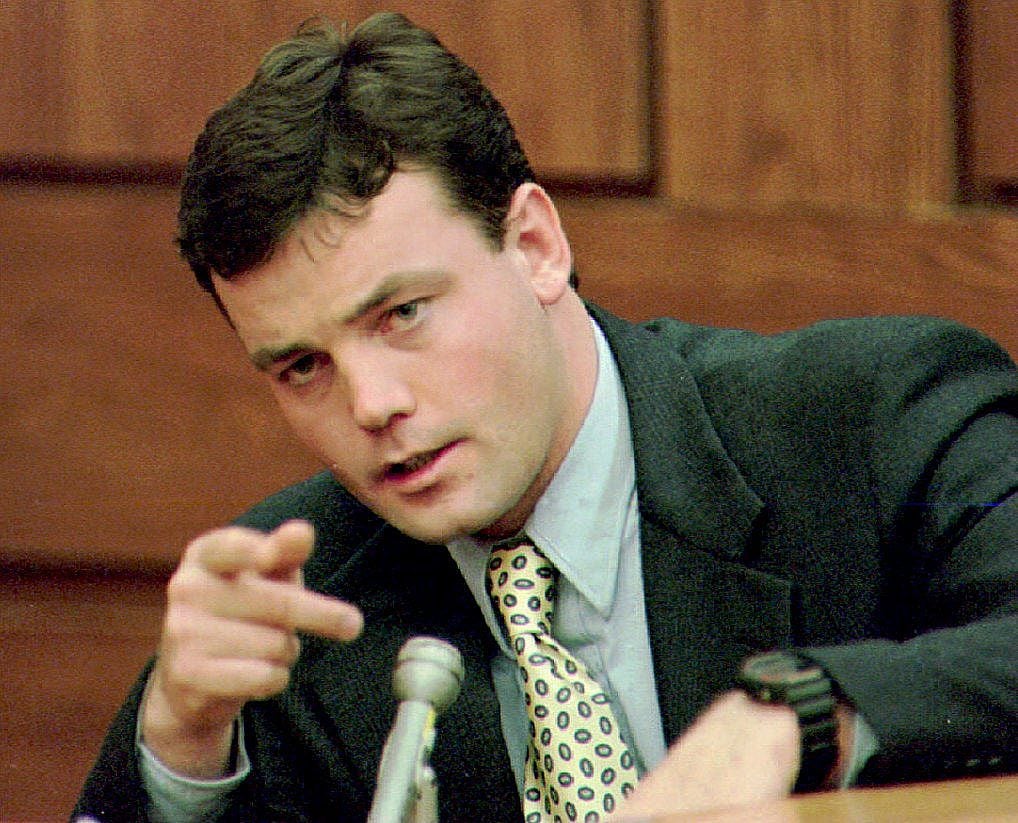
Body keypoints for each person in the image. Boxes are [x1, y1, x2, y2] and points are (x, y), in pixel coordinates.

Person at [75, 11, 1016, 822]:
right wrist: (181, 742)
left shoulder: (872, 422)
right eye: (301, 366)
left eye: (402, 314)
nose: (371, 404)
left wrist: (805, 716)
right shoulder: (299, 601)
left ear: (534, 244)